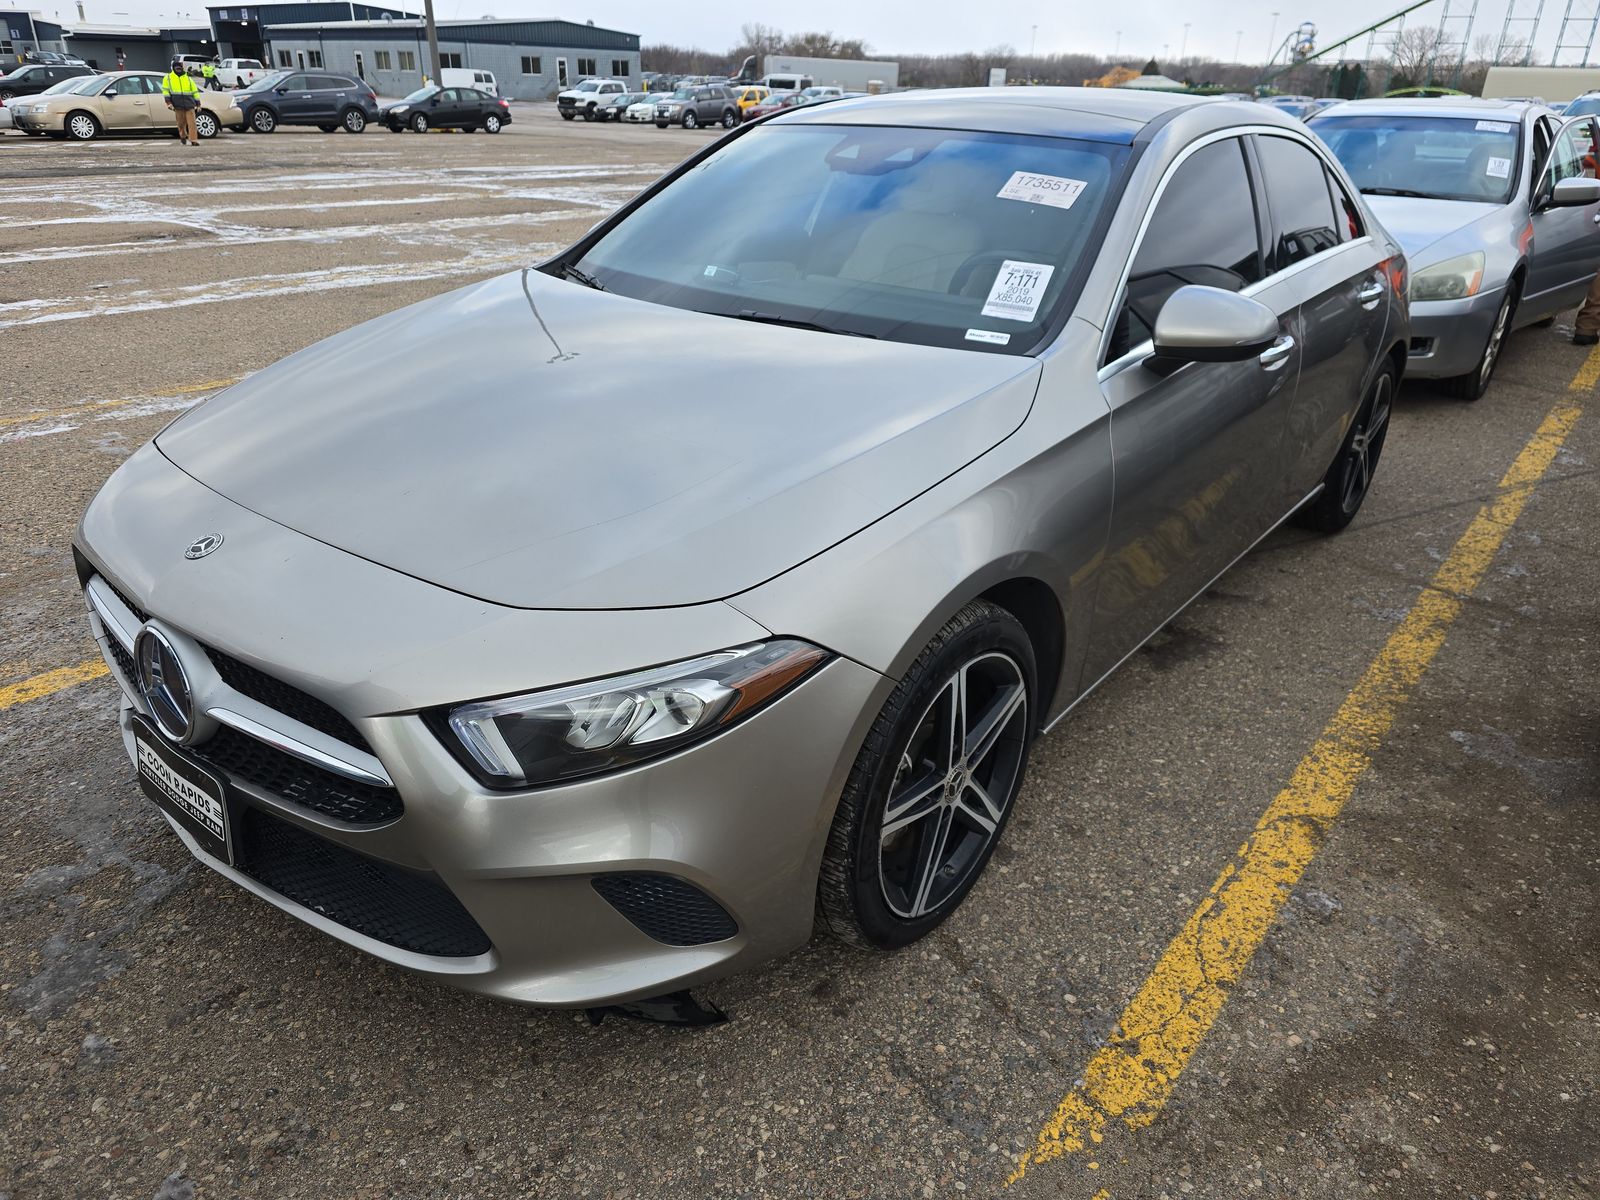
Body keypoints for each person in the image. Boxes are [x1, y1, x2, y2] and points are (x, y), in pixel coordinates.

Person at [161, 57, 201, 146]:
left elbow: (195, 91)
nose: (179, 69)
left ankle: (193, 140)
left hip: (189, 104)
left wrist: (198, 104)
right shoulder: (168, 78)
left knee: (192, 124)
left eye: (180, 68)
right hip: (177, 105)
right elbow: (165, 91)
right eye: (177, 68)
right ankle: (183, 136)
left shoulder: (188, 78)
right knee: (181, 124)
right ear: (173, 68)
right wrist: (168, 103)